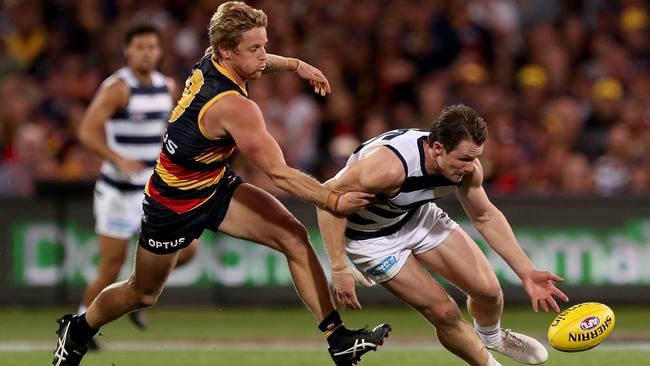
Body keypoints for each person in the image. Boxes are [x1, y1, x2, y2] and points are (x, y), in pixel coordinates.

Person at [53, 3, 390, 366]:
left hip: (213, 185)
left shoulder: (212, 58)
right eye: (255, 48)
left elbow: (257, 59)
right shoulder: (233, 106)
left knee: (293, 236)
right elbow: (278, 173)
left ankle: (338, 340)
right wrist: (332, 201)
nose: (264, 57)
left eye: (265, 45)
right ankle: (79, 330)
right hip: (173, 202)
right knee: (142, 293)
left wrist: (295, 65)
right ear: (226, 51)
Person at [316, 104, 570, 366]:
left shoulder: (467, 167)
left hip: (415, 216)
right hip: (371, 240)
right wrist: (338, 266)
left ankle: (491, 337)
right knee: (445, 312)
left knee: (489, 292)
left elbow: (485, 216)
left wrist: (526, 272)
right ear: (437, 148)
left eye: (475, 157)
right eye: (464, 159)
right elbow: (325, 199)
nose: (471, 167)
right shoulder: (387, 168)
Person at [76, 23, 199, 349]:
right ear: (127, 51)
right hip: (117, 191)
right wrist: (116, 157)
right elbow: (87, 131)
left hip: (151, 191)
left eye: (152, 47)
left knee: (189, 248)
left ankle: (136, 291)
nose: (146, 52)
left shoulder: (167, 86)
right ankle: (80, 324)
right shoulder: (117, 87)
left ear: (159, 51)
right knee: (111, 265)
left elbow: (170, 130)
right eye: (140, 47)